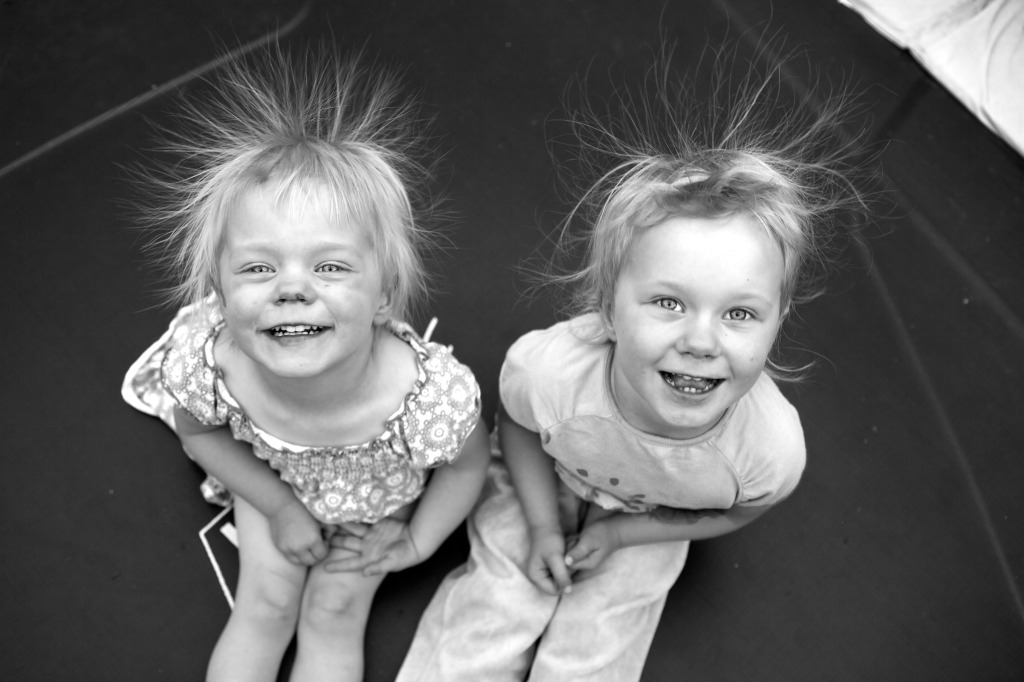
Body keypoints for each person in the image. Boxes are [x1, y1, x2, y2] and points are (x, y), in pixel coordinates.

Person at [397, 45, 870, 682]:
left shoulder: (768, 451)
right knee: (496, 604)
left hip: (652, 519)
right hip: (551, 478)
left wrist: (624, 536)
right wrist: (541, 526)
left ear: (777, 324)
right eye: (669, 302)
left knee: (598, 638)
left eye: (739, 314)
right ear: (608, 312)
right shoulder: (553, 372)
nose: (702, 342)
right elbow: (516, 430)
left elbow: (736, 509)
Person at [121, 45, 490, 682]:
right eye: (259, 268)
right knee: (265, 604)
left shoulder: (429, 401)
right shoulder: (214, 368)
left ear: (382, 297)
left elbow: (467, 468)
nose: (292, 288)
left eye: (330, 267)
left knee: (335, 609)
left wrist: (414, 541)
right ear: (222, 294)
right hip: (275, 486)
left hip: (375, 505)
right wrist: (281, 507)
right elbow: (199, 432)